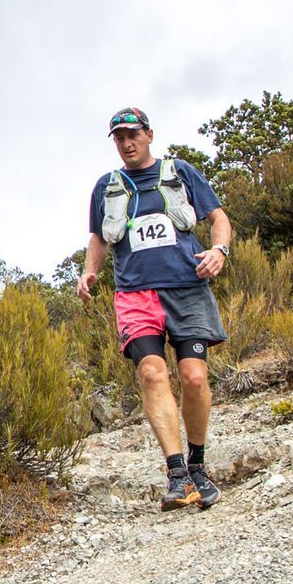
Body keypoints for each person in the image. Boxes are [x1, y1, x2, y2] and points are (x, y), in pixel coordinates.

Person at [76, 108, 233, 510]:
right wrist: (89, 272)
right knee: (150, 372)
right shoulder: (106, 187)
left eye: (133, 134)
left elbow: (219, 218)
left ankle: (198, 466)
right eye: (119, 137)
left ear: (149, 135)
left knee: (194, 377)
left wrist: (219, 250)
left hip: (187, 289)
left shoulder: (179, 172)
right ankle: (177, 475)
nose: (127, 143)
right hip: (135, 295)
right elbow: (98, 236)